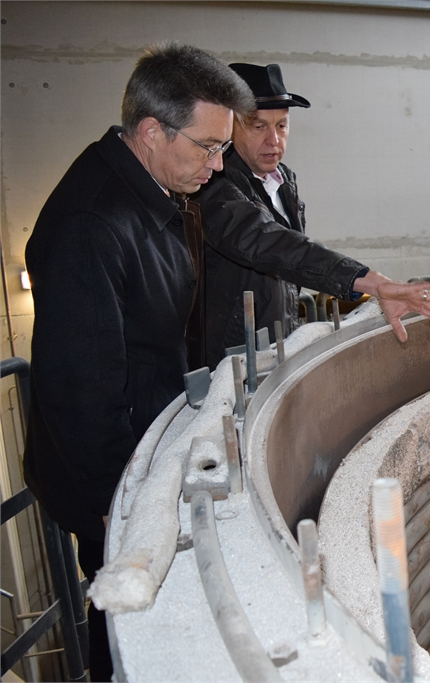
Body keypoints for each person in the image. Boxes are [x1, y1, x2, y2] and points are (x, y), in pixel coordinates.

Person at [23, 42, 254, 681]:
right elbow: (80, 383)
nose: (217, 165)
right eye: (207, 148)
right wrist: (114, 502)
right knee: (123, 623)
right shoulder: (90, 222)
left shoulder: (149, 187)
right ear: (151, 130)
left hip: (143, 447)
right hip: (109, 478)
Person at [196, 62, 430, 367]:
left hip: (275, 348)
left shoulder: (283, 181)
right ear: (230, 126)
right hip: (231, 361)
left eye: (281, 125)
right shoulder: (211, 184)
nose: (274, 140)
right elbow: (271, 243)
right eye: (258, 126)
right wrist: (368, 281)